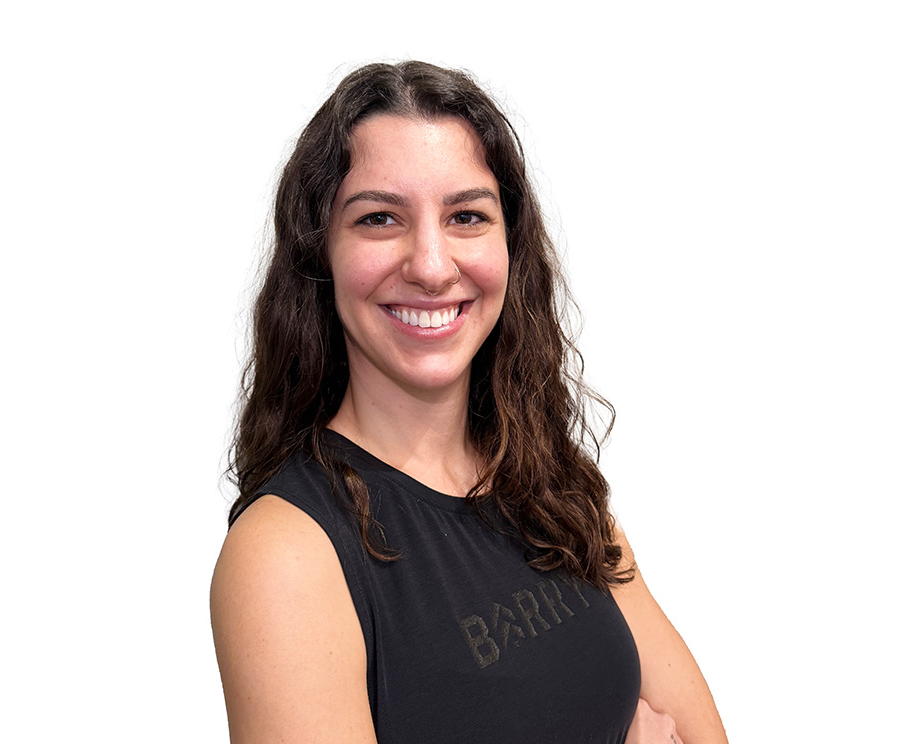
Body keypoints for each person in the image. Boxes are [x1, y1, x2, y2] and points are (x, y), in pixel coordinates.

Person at [211, 61, 728, 743]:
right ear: (320, 255)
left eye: (466, 216)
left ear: (510, 248)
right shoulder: (285, 555)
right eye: (379, 218)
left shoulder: (557, 494)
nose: (430, 265)